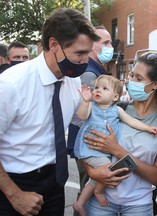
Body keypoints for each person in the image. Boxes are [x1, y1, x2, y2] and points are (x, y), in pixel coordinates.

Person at [0, 8, 102, 215]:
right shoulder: (10, 85)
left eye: (88, 53)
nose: (86, 61)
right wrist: (15, 194)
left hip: (55, 182)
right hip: (11, 184)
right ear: (54, 44)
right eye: (79, 53)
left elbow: (79, 120)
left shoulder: (72, 79)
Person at [76, 53, 157, 215]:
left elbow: (156, 175)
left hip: (138, 205)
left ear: (156, 84)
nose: (131, 81)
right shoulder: (115, 109)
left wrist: (117, 150)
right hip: (101, 202)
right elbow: (87, 144)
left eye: (139, 78)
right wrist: (93, 172)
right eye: (132, 75)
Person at [73, 74, 157, 215]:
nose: (98, 90)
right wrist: (85, 101)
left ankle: (80, 203)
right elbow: (82, 116)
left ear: (115, 97)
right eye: (96, 88)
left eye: (105, 88)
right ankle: (98, 192)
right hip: (90, 148)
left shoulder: (117, 110)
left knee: (98, 176)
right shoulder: (92, 107)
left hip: (103, 151)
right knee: (108, 170)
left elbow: (131, 121)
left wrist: (147, 128)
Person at [66, 25, 114, 198]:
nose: (110, 47)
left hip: (90, 144)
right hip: (90, 145)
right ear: (93, 45)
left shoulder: (95, 71)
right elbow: (91, 115)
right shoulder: (89, 74)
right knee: (90, 193)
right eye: (106, 43)